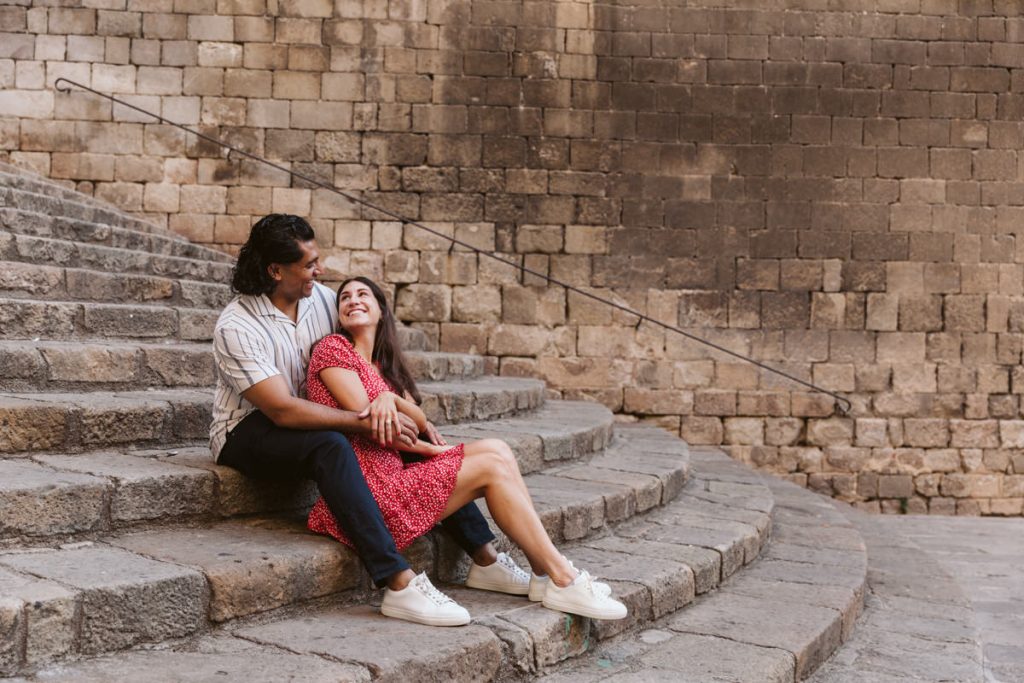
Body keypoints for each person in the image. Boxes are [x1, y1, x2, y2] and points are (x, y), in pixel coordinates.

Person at [209, 214, 527, 627]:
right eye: (309, 265)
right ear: (275, 270)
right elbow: (281, 410)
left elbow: (365, 357)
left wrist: (395, 410)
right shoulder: (237, 325)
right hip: (248, 429)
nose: (319, 271)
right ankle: (397, 581)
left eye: (317, 261)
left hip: (324, 413)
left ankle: (485, 558)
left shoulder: (322, 300)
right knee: (332, 444)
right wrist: (363, 420)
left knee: (395, 433)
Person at [305, 275, 628, 625]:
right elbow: (376, 425)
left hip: (393, 478)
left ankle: (543, 573)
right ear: (339, 314)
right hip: (366, 493)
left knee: (498, 450)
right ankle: (562, 578)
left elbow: (417, 415)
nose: (353, 300)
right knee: (491, 466)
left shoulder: (382, 369)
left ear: (381, 310)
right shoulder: (333, 349)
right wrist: (430, 449)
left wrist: (390, 396)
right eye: (345, 298)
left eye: (363, 294)